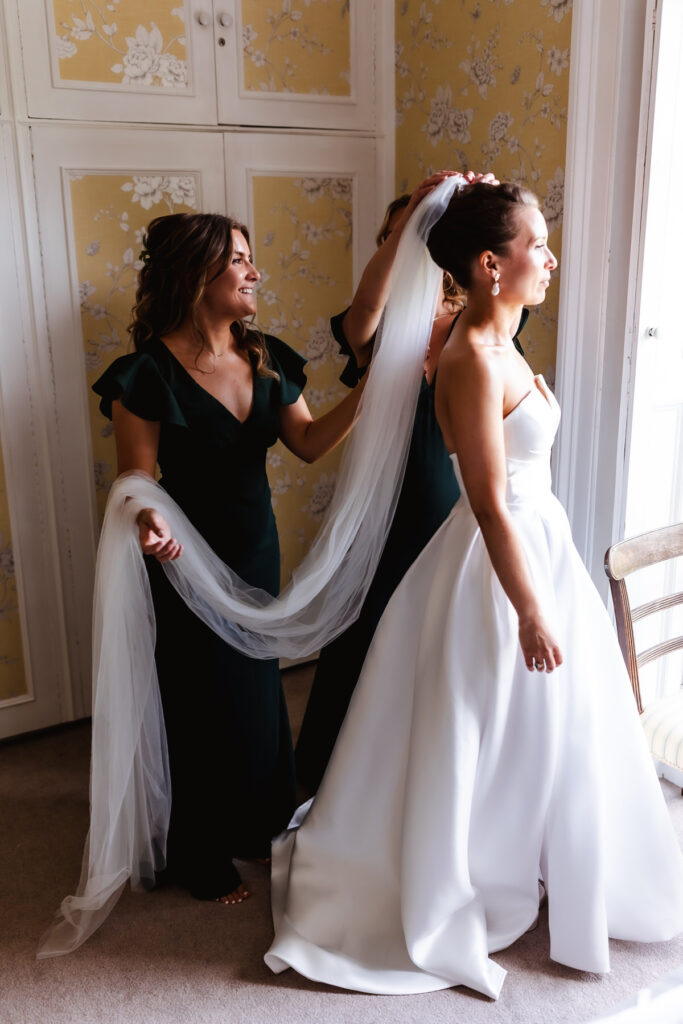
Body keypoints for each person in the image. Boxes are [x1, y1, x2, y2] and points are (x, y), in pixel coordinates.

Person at [265, 181, 683, 998]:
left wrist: (479, 197)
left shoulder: (498, 331)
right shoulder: (465, 358)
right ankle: (463, 871)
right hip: (500, 560)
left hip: (542, 544)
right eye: (537, 242)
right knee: (480, 717)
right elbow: (488, 501)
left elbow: (480, 266)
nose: (551, 256)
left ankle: (538, 856)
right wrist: (529, 609)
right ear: (492, 266)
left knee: (548, 722)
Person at [91, 212, 367, 907]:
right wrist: (152, 523)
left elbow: (307, 442)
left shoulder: (267, 355)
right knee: (195, 697)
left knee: (251, 686)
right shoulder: (145, 373)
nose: (254, 271)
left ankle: (255, 821)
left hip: (254, 549)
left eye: (250, 257)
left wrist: (375, 392)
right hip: (183, 556)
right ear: (195, 273)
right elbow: (135, 478)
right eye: (238, 260)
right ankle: (196, 847)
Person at [295, 172, 529, 793]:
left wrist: (487, 193)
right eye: (401, 234)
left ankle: (430, 788)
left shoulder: (478, 324)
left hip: (455, 500)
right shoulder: (382, 328)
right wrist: (409, 221)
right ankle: (334, 785)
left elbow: (510, 251)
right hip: (391, 506)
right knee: (365, 639)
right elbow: (362, 313)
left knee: (440, 646)